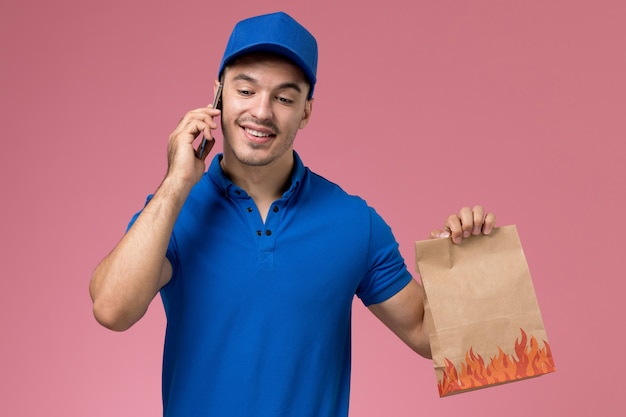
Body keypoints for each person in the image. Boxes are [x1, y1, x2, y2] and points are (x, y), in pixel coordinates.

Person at [89, 11, 496, 417]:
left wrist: (465, 270)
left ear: (305, 111)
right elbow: (111, 309)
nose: (262, 112)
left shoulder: (353, 222)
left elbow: (426, 333)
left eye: (284, 98)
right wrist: (177, 183)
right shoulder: (173, 213)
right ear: (217, 96)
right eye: (245, 91)